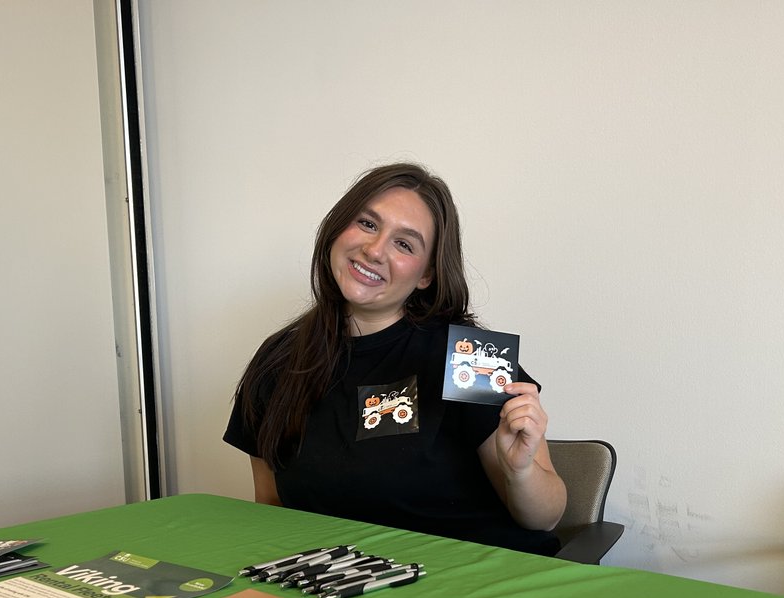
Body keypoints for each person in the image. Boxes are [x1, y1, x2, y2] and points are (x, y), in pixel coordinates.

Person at [223, 162, 566, 555]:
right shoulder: (278, 361)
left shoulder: (469, 355)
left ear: (426, 275)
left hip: (476, 574)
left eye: (404, 244)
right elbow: (272, 509)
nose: (374, 250)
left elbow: (546, 518)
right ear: (337, 229)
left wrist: (520, 472)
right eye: (367, 224)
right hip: (352, 579)